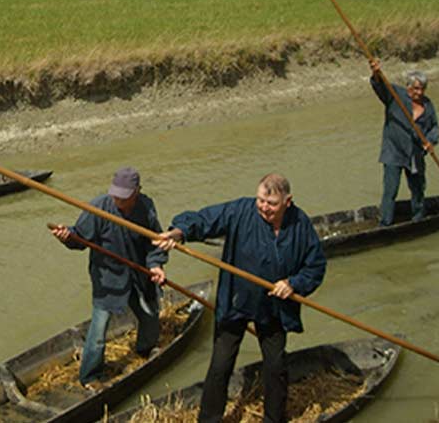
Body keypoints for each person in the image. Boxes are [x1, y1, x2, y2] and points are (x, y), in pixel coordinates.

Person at [154, 174, 326, 423]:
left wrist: (293, 284)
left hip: (274, 307)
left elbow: (315, 266)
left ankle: (274, 418)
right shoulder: (241, 211)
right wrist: (179, 232)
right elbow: (205, 219)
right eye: (261, 201)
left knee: (275, 367)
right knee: (221, 365)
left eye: (271, 203)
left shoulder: (301, 226)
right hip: (237, 300)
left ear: (288, 202)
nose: (264, 208)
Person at [50, 167, 168, 388]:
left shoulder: (146, 207)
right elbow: (80, 237)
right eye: (115, 195)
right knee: (98, 331)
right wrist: (67, 237)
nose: (118, 201)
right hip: (109, 278)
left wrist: (156, 265)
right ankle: (90, 376)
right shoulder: (99, 208)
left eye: (124, 197)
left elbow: (156, 242)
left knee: (150, 313)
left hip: (139, 272)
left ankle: (145, 348)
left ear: (137, 192)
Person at [370, 60, 439, 225]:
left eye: (422, 88)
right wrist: (376, 73)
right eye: (416, 88)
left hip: (415, 154)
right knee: (390, 190)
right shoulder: (396, 95)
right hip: (393, 152)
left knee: (418, 189)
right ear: (408, 87)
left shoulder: (428, 105)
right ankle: (385, 223)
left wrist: (430, 143)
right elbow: (379, 87)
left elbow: (434, 128)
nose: (419, 92)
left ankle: (418, 218)